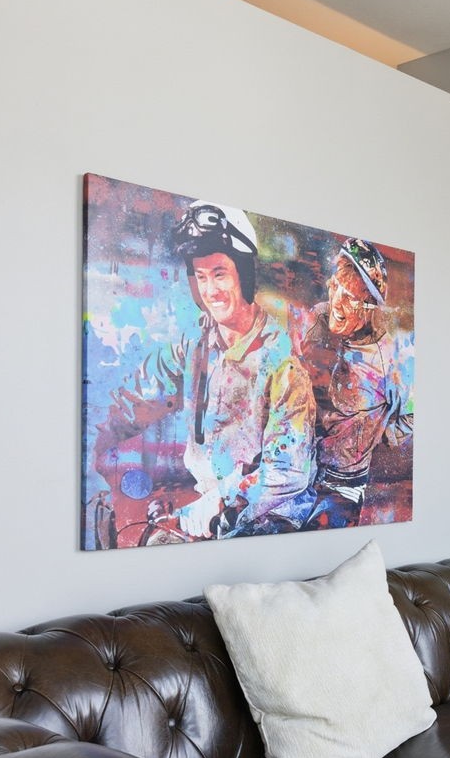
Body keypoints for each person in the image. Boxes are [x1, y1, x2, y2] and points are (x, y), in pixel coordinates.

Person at [94, 201, 315, 540]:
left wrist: (225, 499)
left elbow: (287, 471)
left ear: (245, 272)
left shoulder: (281, 364)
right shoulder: (195, 343)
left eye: (220, 274)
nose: (211, 290)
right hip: (205, 508)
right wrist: (94, 449)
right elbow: (135, 397)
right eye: (201, 276)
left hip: (270, 519)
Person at [296, 236, 413, 528]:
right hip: (299, 472)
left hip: (343, 487)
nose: (336, 301)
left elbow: (413, 410)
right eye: (336, 286)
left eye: (349, 297)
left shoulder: (390, 359)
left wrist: (382, 435)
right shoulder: (316, 319)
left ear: (370, 307)